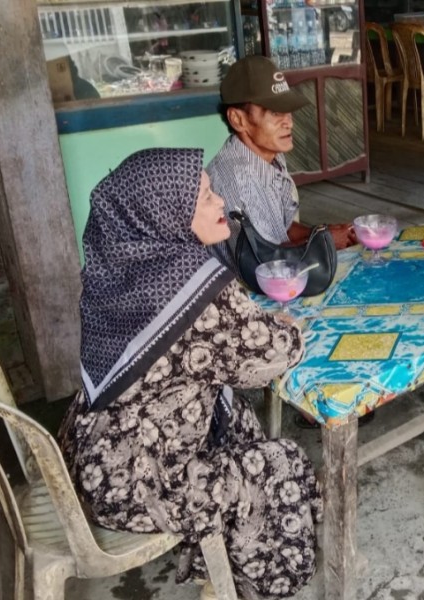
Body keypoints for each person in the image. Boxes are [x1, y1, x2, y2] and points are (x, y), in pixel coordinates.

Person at [59, 148, 322, 600]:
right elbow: (268, 357)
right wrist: (290, 330)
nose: (220, 201)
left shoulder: (119, 271)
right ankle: (254, 583)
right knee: (281, 462)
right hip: (136, 484)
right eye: (203, 197)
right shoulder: (191, 284)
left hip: (91, 458)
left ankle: (218, 561)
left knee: (236, 420)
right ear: (163, 214)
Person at [206, 55, 356, 269]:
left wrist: (322, 233)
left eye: (287, 110)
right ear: (238, 119)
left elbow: (282, 228)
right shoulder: (236, 182)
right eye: (275, 112)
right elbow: (264, 262)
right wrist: (325, 241)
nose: (289, 122)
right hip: (250, 283)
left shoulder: (269, 156)